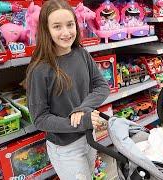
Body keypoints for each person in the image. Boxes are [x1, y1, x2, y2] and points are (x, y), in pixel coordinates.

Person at [26, 0, 110, 179]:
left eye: (70, 24)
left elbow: (102, 86)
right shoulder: (40, 69)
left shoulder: (81, 53)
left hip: (89, 137)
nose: (66, 32)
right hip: (65, 148)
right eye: (57, 26)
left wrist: (82, 109)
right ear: (45, 29)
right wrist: (77, 123)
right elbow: (39, 118)